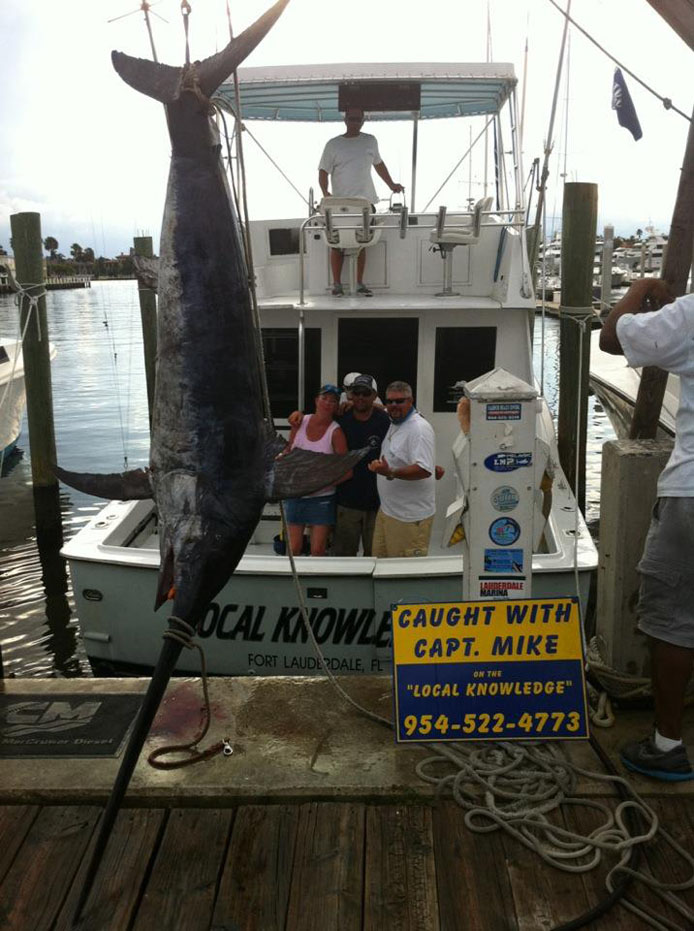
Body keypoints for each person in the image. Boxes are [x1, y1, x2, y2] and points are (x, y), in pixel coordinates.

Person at [600, 277, 694, 782]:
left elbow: (612, 338)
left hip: (691, 494)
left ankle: (668, 744)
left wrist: (639, 291)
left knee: (673, 622)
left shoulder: (692, 315)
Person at [318, 107, 404, 297]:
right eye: (351, 119)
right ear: (345, 120)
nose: (354, 122)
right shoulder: (333, 144)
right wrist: (326, 193)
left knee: (362, 242)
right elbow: (323, 171)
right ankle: (337, 285)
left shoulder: (370, 141)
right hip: (340, 203)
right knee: (336, 243)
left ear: (363, 121)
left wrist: (391, 184)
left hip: (365, 201)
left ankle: (358, 283)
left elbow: (379, 164)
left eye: (358, 119)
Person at [368, 381, 436, 557]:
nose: (393, 406)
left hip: (409, 519)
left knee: (403, 577)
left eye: (399, 401)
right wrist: (350, 402)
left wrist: (389, 472)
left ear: (411, 401)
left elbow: (423, 469)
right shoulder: (395, 419)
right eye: (390, 401)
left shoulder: (419, 428)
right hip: (388, 512)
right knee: (382, 568)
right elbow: (380, 407)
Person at [284, 384, 351, 557]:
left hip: (322, 498)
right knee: (293, 548)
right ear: (316, 401)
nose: (328, 403)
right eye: (324, 398)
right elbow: (288, 452)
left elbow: (347, 471)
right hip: (295, 495)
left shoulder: (335, 432)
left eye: (333, 401)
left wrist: (319, 485)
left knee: (317, 550)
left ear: (337, 407)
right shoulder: (299, 422)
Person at [332, 374, 390, 556]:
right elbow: (315, 418)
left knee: (375, 557)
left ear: (374, 396)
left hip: (378, 502)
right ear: (350, 395)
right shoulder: (340, 418)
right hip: (346, 501)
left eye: (366, 393)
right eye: (356, 393)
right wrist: (297, 418)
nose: (360, 397)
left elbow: (415, 418)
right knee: (343, 557)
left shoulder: (386, 419)